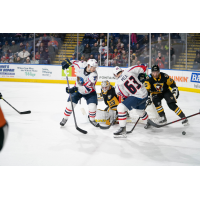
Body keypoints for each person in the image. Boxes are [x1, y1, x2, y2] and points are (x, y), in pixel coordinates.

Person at [60, 59, 99, 127]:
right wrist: (67, 63)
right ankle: (65, 118)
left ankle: (92, 119)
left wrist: (75, 89)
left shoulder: (94, 75)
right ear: (88, 66)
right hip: (77, 89)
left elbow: (87, 89)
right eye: (93, 67)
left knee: (92, 107)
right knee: (70, 105)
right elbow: (73, 62)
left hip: (90, 92)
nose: (94, 69)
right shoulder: (81, 65)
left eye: (95, 68)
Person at [113, 64, 149, 137]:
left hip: (137, 97)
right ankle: (148, 121)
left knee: (121, 107)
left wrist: (124, 109)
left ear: (115, 75)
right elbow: (144, 67)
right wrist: (146, 77)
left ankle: (122, 128)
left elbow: (125, 96)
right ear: (121, 70)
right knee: (139, 111)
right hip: (145, 94)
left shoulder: (117, 85)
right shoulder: (129, 69)